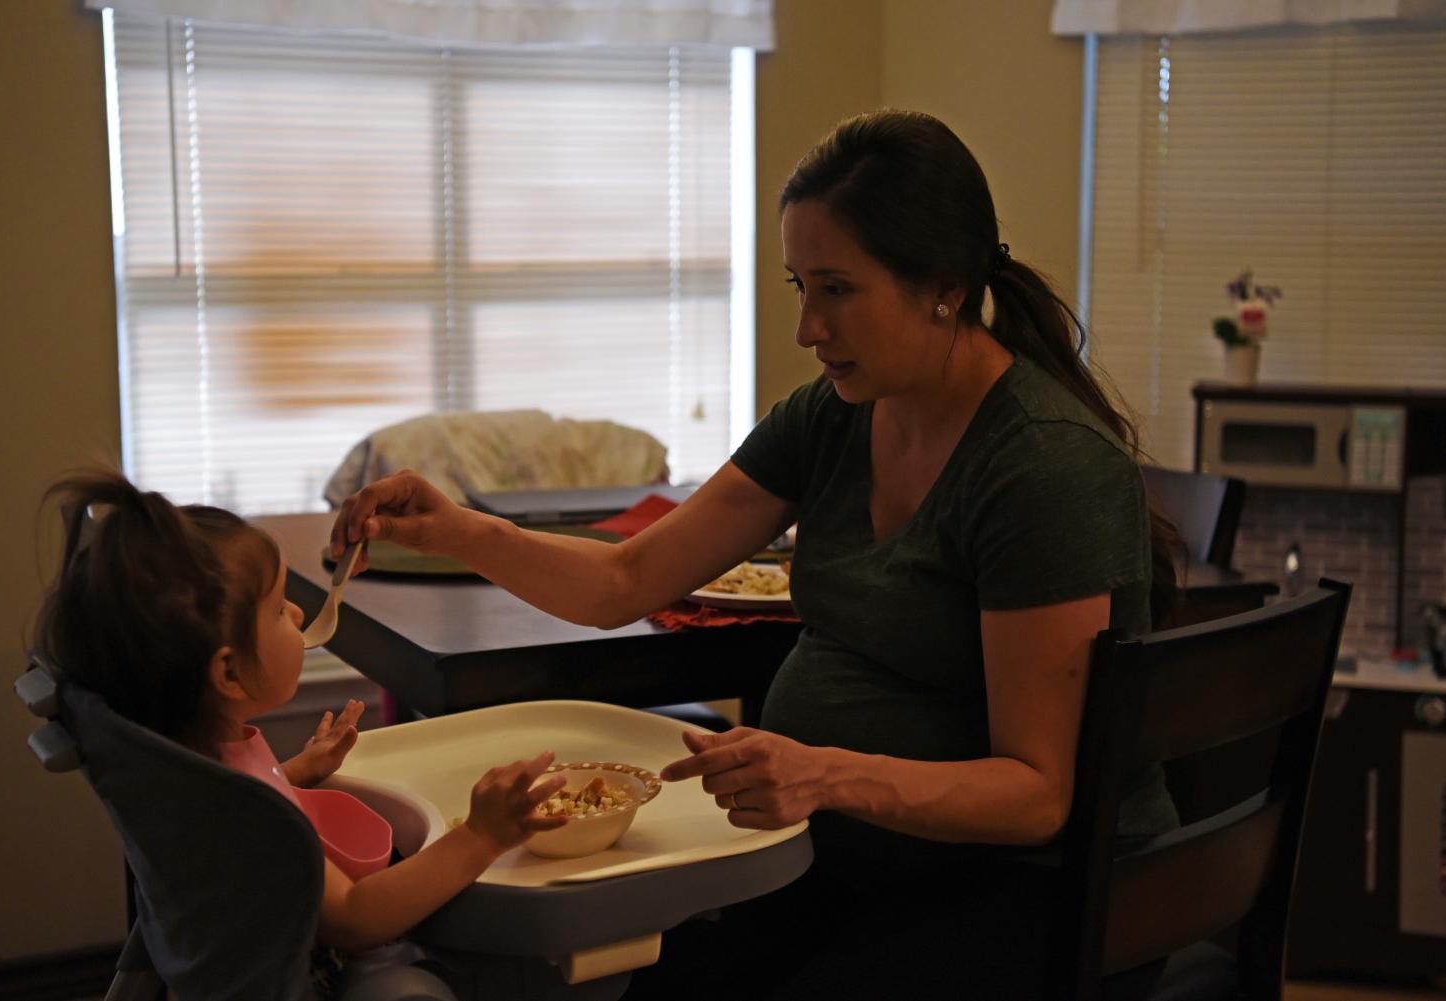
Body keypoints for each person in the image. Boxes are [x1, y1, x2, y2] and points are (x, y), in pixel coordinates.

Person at [329, 109, 1180, 999]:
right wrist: (462, 527)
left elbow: (1036, 792)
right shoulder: (834, 415)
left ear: (944, 287)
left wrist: (821, 770)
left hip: (1031, 895)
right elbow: (627, 579)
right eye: (797, 285)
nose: (808, 328)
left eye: (837, 289)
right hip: (849, 860)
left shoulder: (1040, 468)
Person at [34, 469, 567, 994]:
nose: (296, 610)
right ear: (229, 673)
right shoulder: (247, 818)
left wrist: (295, 774)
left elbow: (243, 804)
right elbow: (353, 920)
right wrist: (479, 836)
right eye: (276, 608)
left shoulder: (189, 763)